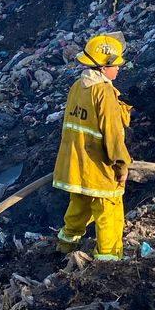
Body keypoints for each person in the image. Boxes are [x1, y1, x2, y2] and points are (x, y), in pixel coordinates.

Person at [53, 32, 131, 262]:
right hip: (98, 165)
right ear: (102, 66)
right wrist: (121, 165)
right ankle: (109, 260)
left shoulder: (78, 86)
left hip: (75, 164)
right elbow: (112, 134)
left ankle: (65, 245)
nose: (118, 68)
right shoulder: (104, 91)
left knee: (79, 204)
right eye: (115, 65)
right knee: (109, 210)